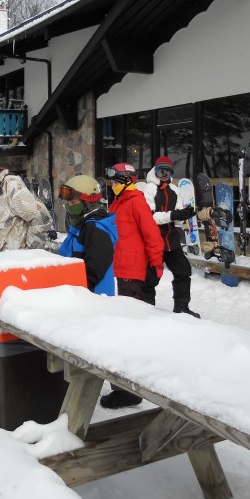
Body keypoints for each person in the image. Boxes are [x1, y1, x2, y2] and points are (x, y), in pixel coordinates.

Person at [101, 162, 164, 409]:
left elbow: (152, 235)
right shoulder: (118, 203)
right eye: (112, 183)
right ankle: (130, 385)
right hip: (121, 270)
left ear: (127, 181)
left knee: (131, 332)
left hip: (134, 272)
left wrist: (156, 266)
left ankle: (131, 389)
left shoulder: (136, 202)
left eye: (116, 182)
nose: (113, 186)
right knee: (126, 328)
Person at [140, 156, 200, 318]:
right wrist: (174, 214)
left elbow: (178, 211)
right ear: (155, 171)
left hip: (171, 239)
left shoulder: (174, 190)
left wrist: (186, 213)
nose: (164, 176)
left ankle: (182, 307)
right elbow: (150, 217)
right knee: (151, 277)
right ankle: (146, 309)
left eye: (167, 173)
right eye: (161, 172)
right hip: (155, 239)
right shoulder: (150, 189)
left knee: (183, 270)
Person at [57, 175, 117, 295]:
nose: (69, 206)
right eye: (68, 203)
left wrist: (76, 293)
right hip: (80, 297)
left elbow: (94, 270)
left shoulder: (95, 229)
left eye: (73, 202)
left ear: (89, 202)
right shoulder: (82, 226)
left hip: (94, 299)